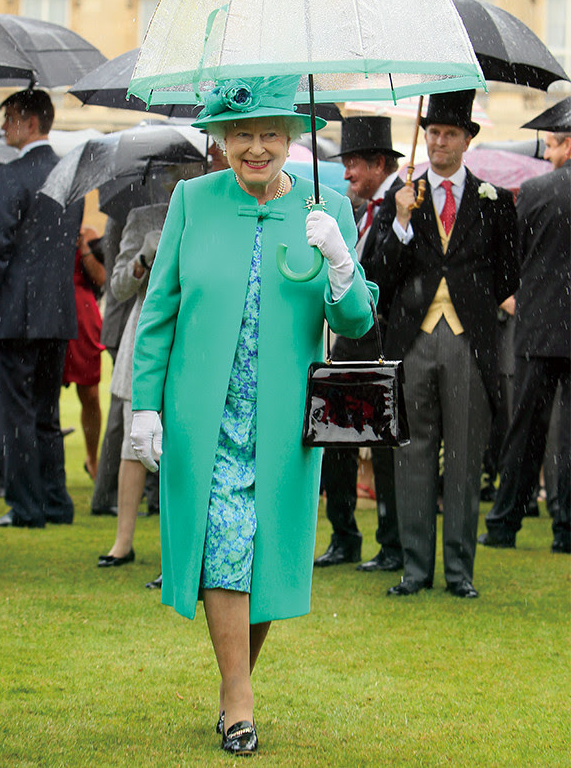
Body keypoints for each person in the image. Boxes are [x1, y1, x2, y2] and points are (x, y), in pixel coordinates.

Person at [129, 75, 376, 755]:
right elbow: (159, 312)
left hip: (287, 419)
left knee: (262, 549)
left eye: (270, 133)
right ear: (221, 139)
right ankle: (239, 699)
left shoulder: (328, 207)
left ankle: (233, 680)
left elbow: (354, 320)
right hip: (202, 415)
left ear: (293, 136)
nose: (257, 147)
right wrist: (143, 407)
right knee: (224, 542)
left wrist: (339, 262)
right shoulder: (192, 200)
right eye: (242, 134)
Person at [371, 90, 519, 598]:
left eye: (450, 133)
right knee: (412, 454)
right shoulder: (403, 195)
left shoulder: (493, 201)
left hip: (467, 342)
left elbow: (506, 276)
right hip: (413, 341)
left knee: (463, 458)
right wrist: (402, 222)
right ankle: (415, 570)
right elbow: (381, 276)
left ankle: (459, 573)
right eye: (432, 132)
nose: (438, 141)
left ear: (466, 141)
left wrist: (470, 303)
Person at [0, 89, 82, 529]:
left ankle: (26, 507)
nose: (4, 128)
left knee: (14, 416)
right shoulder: (71, 175)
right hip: (56, 313)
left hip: (12, 316)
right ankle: (55, 502)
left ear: (29, 120)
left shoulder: (11, 175)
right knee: (45, 414)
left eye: (9, 119)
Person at [313, 116, 404, 572]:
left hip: (386, 342)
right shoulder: (356, 210)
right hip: (348, 345)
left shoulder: (406, 202)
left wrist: (401, 221)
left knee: (384, 447)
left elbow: (389, 272)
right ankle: (343, 535)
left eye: (352, 164)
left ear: (379, 162)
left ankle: (391, 544)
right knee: (337, 443)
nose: (346, 174)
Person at [479, 121, 571, 554]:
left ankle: (504, 522)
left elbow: (512, 257)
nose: (547, 153)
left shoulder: (536, 192)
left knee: (526, 430)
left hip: (538, 326)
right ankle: (566, 528)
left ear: (567, 145)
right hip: (552, 321)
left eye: (551, 145)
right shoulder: (540, 189)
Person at [97, 203, 167, 569]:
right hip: (145, 336)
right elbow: (119, 286)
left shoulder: (217, 208)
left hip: (197, 335)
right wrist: (143, 257)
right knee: (132, 445)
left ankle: (179, 550)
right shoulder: (142, 217)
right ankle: (122, 542)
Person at [90, 216, 136, 517]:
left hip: (132, 323)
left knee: (123, 417)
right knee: (123, 415)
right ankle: (106, 495)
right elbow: (115, 279)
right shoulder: (130, 216)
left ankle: (110, 494)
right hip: (124, 324)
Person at [62, 226, 105, 480]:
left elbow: (101, 279)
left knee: (90, 392)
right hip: (52, 311)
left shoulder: (89, 235)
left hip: (83, 317)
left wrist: (84, 248)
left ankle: (93, 458)